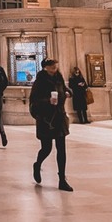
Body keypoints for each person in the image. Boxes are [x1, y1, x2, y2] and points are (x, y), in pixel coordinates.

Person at [29, 58, 73, 191]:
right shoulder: (40, 82)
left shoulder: (59, 78)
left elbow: (66, 89)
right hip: (46, 119)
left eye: (55, 65)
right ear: (45, 68)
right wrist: (47, 101)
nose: (54, 67)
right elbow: (34, 101)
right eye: (51, 66)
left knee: (61, 149)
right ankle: (37, 165)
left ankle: (62, 179)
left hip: (59, 117)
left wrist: (68, 92)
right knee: (46, 149)